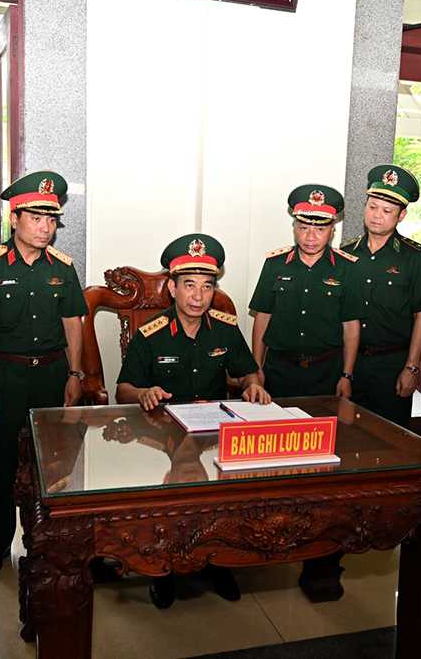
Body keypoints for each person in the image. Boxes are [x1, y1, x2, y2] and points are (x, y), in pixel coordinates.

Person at [116, 233, 269, 608]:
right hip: (162, 432)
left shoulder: (225, 328)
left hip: (213, 432)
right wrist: (143, 394)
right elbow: (122, 390)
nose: (198, 296)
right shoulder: (150, 334)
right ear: (172, 288)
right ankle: (161, 568)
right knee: (165, 504)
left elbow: (249, 373)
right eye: (189, 285)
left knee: (224, 498)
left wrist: (253, 386)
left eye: (207, 286)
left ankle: (220, 561)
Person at [0, 170, 87, 579]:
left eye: (51, 220)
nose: (45, 228)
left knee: (55, 465)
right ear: (14, 219)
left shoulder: (63, 268)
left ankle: (49, 544)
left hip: (51, 375)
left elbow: (73, 324)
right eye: (36, 218)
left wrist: (75, 374)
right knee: (1, 466)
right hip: (4, 376)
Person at [248, 184, 364, 400]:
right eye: (303, 228)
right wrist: (257, 367)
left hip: (326, 372)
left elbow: (351, 326)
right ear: (294, 227)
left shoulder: (346, 268)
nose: (311, 237)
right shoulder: (275, 264)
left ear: (332, 230)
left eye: (320, 229)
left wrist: (347, 375)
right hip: (279, 370)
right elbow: (263, 316)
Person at [343, 164, 421, 428]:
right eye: (372, 207)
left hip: (392, 365)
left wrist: (412, 367)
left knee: (390, 438)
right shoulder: (346, 254)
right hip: (350, 363)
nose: (377, 215)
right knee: (346, 436)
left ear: (401, 215)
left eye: (387, 210)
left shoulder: (415, 257)